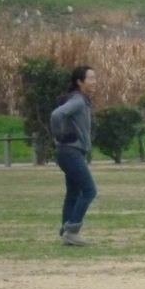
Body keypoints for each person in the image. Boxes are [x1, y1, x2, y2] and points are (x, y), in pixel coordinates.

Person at [50, 65, 97, 245]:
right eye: (91, 78)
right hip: (71, 153)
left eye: (95, 78)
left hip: (70, 152)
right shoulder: (78, 100)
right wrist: (60, 135)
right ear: (80, 82)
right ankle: (73, 230)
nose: (94, 81)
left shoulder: (81, 100)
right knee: (89, 190)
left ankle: (66, 232)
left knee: (73, 193)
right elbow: (56, 115)